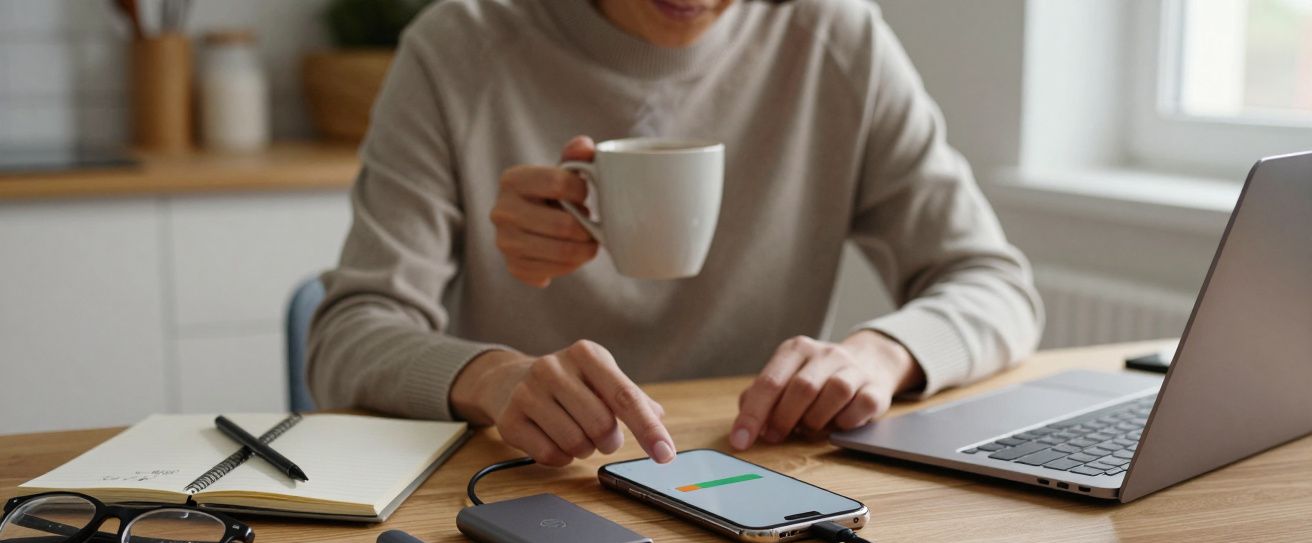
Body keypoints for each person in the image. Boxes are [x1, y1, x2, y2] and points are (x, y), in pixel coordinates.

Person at [308, 0, 1043, 468]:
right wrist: (494, 378)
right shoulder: (458, 48)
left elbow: (994, 284)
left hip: (759, 471)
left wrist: (878, 356)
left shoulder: (837, 38)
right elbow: (347, 334)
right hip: (529, 485)